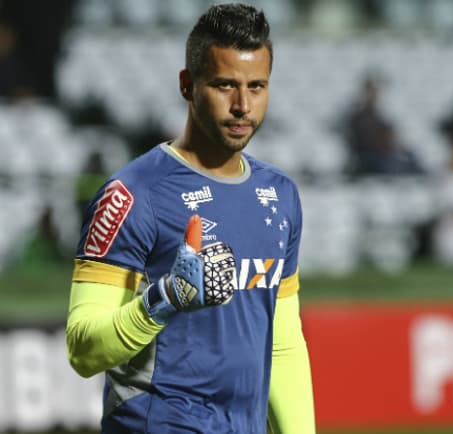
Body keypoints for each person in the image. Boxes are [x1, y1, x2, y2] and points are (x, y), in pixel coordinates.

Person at [65, 4, 315, 433]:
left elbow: (282, 344)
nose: (242, 105)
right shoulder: (132, 195)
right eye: (224, 85)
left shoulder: (280, 195)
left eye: (257, 87)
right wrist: (162, 301)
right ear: (187, 85)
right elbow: (83, 349)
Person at [341, 74, 425, 175]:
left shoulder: (375, 114)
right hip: (369, 158)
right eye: (372, 91)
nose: (376, 94)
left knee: (410, 156)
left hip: (383, 155)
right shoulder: (358, 115)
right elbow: (365, 140)